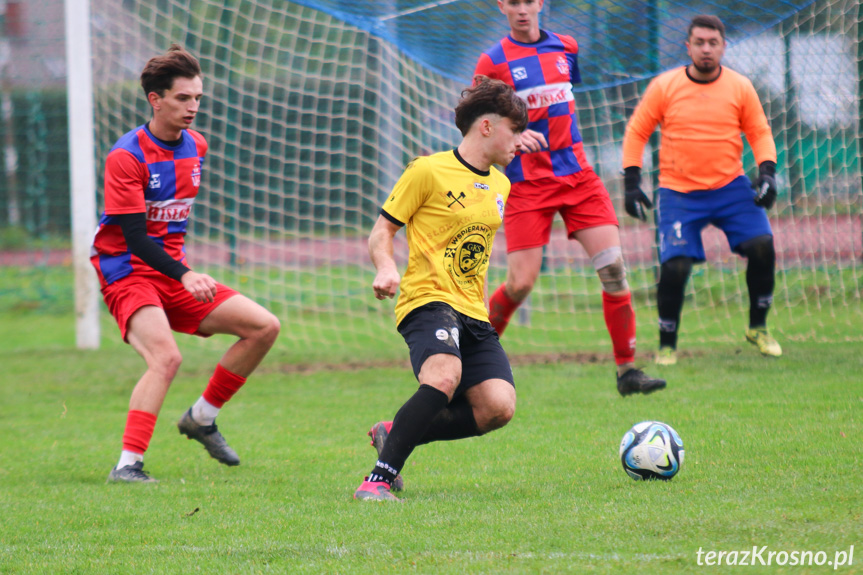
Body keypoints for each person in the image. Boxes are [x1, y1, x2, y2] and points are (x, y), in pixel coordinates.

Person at [92, 45, 281, 483]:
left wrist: (180, 271)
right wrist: (186, 273)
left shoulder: (196, 145)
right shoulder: (127, 156)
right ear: (155, 99)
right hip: (127, 270)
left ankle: (202, 417)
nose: (193, 107)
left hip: (172, 271)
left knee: (264, 327)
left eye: (198, 98)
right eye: (183, 98)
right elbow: (136, 239)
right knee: (166, 357)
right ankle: (127, 465)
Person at [473, 0, 666, 396]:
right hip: (527, 183)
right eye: (513, 2)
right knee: (520, 284)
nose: (522, 9)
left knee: (613, 269)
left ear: (540, 3)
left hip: (578, 176)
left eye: (528, 1)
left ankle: (627, 371)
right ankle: (472, 355)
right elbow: (477, 123)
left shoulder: (567, 47)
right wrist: (512, 136)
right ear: (501, 6)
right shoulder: (492, 62)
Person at [354, 77, 528, 501]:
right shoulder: (427, 170)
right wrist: (385, 269)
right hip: (427, 300)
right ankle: (376, 482)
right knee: (444, 376)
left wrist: (483, 314)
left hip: (472, 311)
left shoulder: (501, 186)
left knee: (498, 407)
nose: (520, 141)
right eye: (514, 129)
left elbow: (478, 255)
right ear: (486, 126)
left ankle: (393, 433)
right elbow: (382, 232)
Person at [621, 15, 782, 366]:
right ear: (688, 46)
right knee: (675, 266)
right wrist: (631, 183)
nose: (706, 49)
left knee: (763, 245)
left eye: (713, 43)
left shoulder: (740, 86)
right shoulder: (665, 86)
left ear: (723, 46)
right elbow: (637, 131)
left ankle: (758, 328)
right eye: (699, 42)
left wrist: (767, 172)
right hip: (679, 193)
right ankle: (667, 345)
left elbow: (759, 131)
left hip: (731, 187)